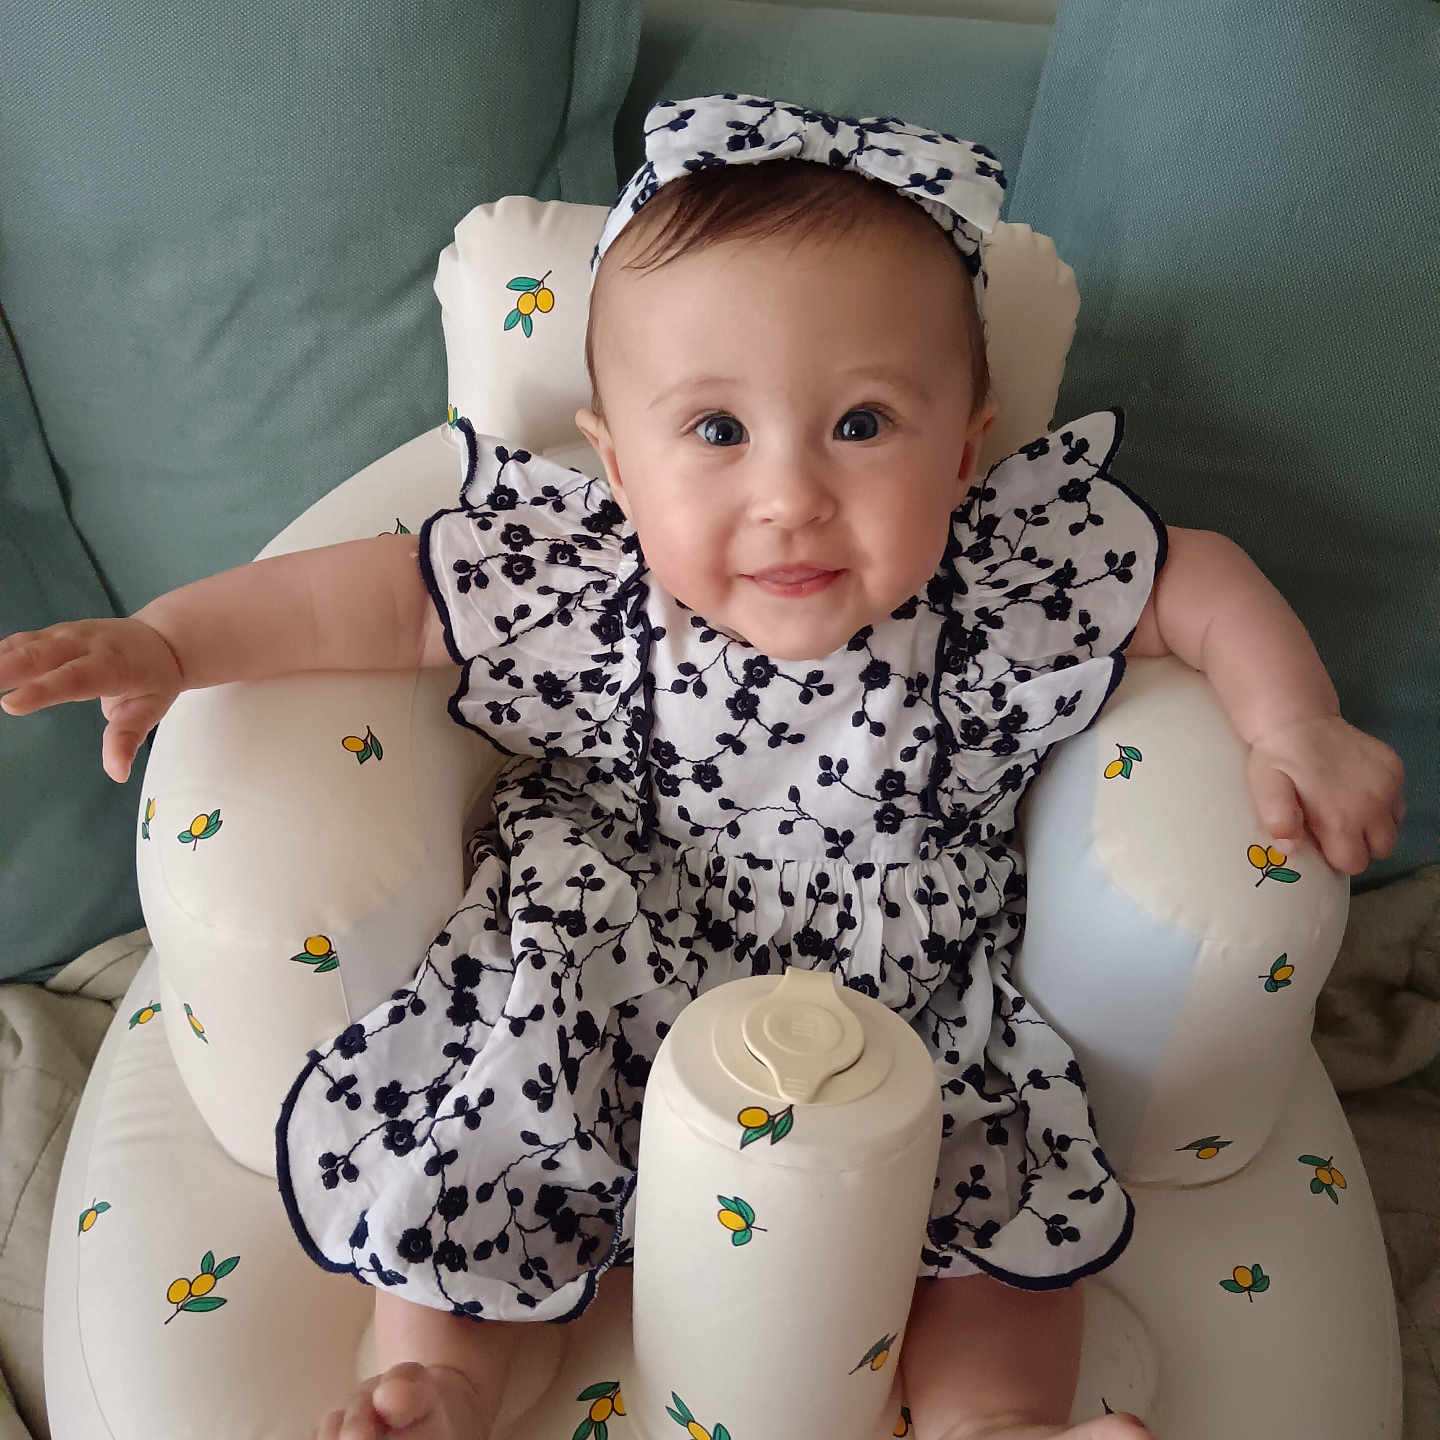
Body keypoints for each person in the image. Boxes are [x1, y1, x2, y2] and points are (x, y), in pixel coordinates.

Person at [0, 94, 1404, 1440]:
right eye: (717, 432)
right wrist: (172, 646)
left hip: (904, 966)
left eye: (863, 424)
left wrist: (1294, 724)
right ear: (617, 464)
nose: (790, 492)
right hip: (606, 925)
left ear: (966, 449)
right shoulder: (585, 578)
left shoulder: (1002, 580)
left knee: (989, 1187)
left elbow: (1193, 580)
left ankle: (991, 1414)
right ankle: (448, 1385)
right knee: (496, 1114)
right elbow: (374, 603)